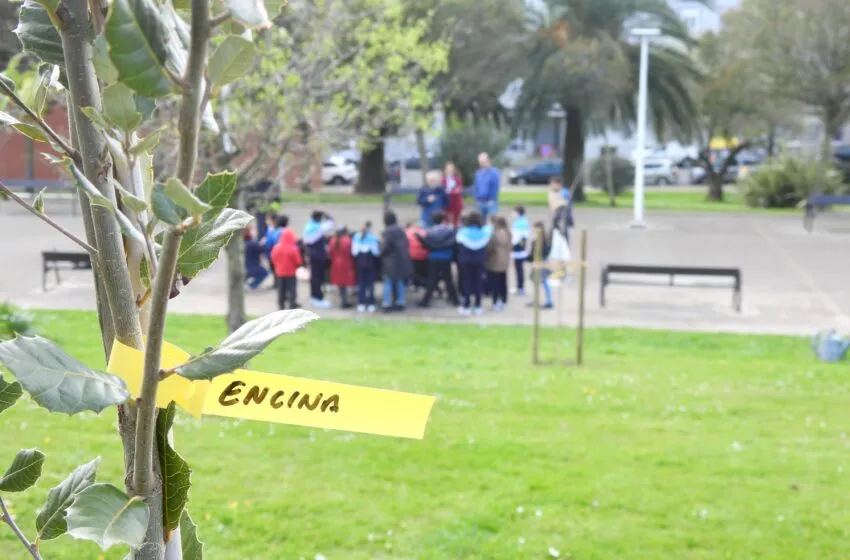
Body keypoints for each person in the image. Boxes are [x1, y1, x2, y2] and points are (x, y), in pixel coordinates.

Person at [415, 210, 459, 308]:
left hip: (433, 258)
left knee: (432, 279)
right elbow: (453, 244)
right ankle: (455, 300)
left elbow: (425, 246)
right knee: (448, 280)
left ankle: (426, 301)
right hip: (446, 258)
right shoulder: (449, 231)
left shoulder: (429, 232)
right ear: (443, 220)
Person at [456, 211, 492, 316]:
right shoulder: (484, 233)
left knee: (466, 282)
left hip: (465, 261)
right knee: (478, 282)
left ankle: (466, 306)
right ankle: (478, 306)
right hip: (479, 261)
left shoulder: (462, 232)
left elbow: (459, 246)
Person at [380, 211, 413, 312]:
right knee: (400, 282)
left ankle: (387, 303)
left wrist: (381, 253)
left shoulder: (388, 232)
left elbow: (385, 247)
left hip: (391, 261)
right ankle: (400, 302)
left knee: (388, 282)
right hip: (402, 260)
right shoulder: (401, 231)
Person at [302, 210, 335, 309]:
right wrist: (326, 215)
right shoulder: (318, 227)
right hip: (318, 256)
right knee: (318, 278)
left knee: (314, 277)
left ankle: (314, 297)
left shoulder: (308, 226)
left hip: (312, 255)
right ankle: (318, 298)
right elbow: (331, 222)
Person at [270, 227, 302, 309]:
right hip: (291, 273)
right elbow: (298, 261)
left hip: (280, 273)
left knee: (281, 290)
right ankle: (292, 304)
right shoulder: (294, 249)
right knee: (292, 290)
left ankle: (281, 305)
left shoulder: (276, 247)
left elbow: (273, 259)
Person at [352, 221, 380, 312]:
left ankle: (361, 303)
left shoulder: (356, 237)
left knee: (361, 284)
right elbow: (376, 252)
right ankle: (371, 303)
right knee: (370, 284)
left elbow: (354, 252)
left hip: (360, 264)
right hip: (370, 264)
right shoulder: (373, 238)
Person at [486, 215, 511, 310]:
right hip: (505, 261)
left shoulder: (494, 234)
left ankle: (495, 301)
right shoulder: (508, 233)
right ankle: (503, 300)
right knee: (503, 281)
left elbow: (490, 248)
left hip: (494, 261)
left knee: (494, 283)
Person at [528, 221, 554, 309]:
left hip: (540, 262)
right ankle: (542, 300)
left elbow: (534, 253)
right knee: (539, 281)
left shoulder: (539, 240)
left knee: (543, 282)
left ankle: (549, 301)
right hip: (542, 261)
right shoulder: (545, 239)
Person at [328, 226, 356, 309]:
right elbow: (352, 252)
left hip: (336, 265)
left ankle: (344, 301)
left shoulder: (333, 241)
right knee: (344, 284)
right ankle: (345, 301)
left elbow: (330, 253)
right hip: (346, 264)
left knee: (341, 284)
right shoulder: (347, 241)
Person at [472, 152, 500, 219]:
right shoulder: (478, 173)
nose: (482, 163)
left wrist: (492, 199)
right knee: (480, 222)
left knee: (491, 223)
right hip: (480, 202)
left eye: (483, 161)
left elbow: (495, 187)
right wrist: (476, 197)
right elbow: (476, 186)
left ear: (488, 160)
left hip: (490, 203)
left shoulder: (494, 173)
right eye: (480, 162)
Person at [511, 206, 531, 296]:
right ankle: (520, 287)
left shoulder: (519, 223)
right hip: (520, 249)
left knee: (519, 269)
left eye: (514, 212)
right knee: (519, 269)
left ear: (518, 212)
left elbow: (515, 238)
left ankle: (520, 288)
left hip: (518, 249)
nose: (512, 214)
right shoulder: (522, 221)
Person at [243, 223, 270, 290]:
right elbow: (263, 249)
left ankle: (244, 283)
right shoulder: (251, 243)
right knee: (265, 273)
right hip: (252, 267)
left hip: (245, 266)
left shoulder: (244, 242)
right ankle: (252, 285)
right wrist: (264, 242)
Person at [406, 221, 429, 291]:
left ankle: (414, 284)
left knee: (414, 272)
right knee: (422, 272)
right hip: (424, 256)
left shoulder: (408, 232)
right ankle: (422, 285)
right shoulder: (425, 232)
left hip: (412, 255)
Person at [442, 161, 464, 227]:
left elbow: (459, 190)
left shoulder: (457, 179)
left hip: (456, 203)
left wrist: (450, 192)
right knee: (446, 221)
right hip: (446, 204)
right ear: (445, 170)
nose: (450, 170)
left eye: (451, 169)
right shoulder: (443, 180)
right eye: (448, 169)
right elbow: (443, 191)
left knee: (456, 222)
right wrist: (453, 191)